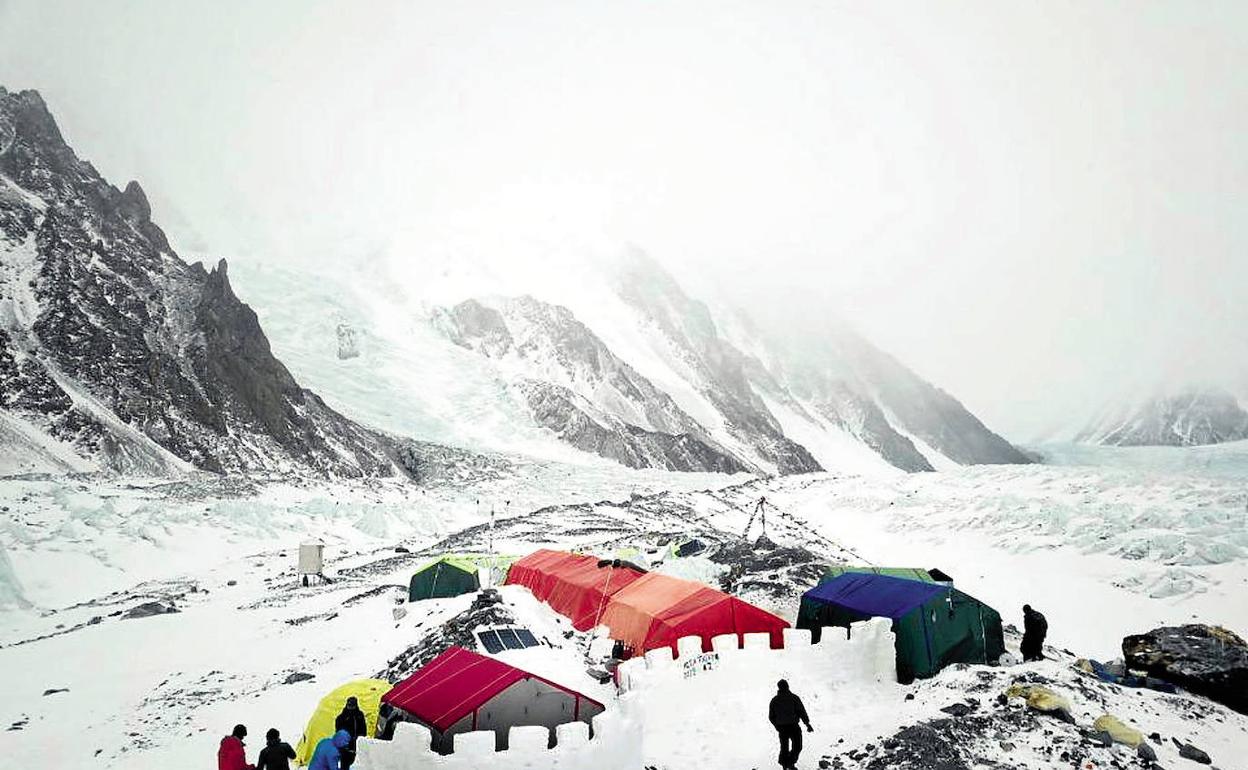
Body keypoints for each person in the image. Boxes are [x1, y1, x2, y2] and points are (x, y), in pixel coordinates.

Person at [768, 680, 813, 770]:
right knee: (797, 746)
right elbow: (801, 712)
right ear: (787, 686)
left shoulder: (774, 700)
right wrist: (807, 724)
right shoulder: (794, 698)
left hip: (783, 728)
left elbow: (771, 717)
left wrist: (777, 726)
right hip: (793, 727)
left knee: (785, 748)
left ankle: (786, 765)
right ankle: (789, 764)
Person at [334, 696, 368, 769]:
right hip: (345, 746)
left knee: (356, 763)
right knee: (345, 764)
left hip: (356, 744)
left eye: (352, 705)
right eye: (349, 705)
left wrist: (361, 739)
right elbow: (338, 732)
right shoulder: (342, 717)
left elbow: (363, 729)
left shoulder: (359, 715)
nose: (351, 707)